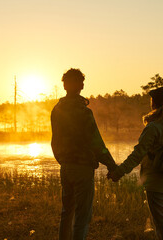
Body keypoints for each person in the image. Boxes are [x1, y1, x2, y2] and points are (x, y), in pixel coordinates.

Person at [51, 68, 117, 240]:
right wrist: (111, 165)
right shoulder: (84, 112)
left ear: (64, 85)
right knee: (82, 215)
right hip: (82, 168)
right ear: (81, 85)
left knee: (67, 212)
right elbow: (96, 143)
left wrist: (63, 161)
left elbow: (54, 142)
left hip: (66, 167)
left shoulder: (56, 110)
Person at [108, 87, 163, 240]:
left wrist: (118, 172)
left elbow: (137, 155)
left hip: (156, 182)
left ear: (153, 103)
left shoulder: (153, 127)